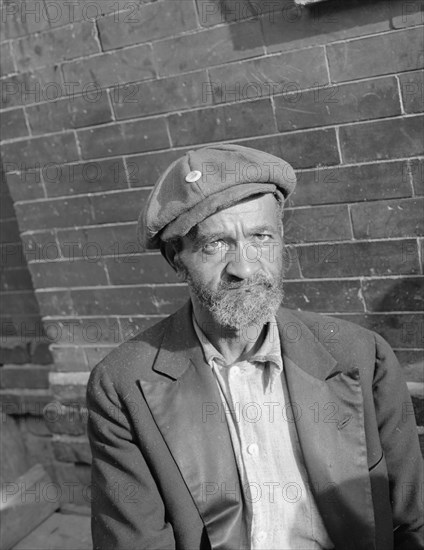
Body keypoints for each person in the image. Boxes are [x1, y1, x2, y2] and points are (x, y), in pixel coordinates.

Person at [86, 144, 423, 550]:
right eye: (216, 244)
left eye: (261, 237)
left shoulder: (361, 355)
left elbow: (411, 521)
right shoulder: (123, 383)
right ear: (177, 259)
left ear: (281, 240)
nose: (244, 267)